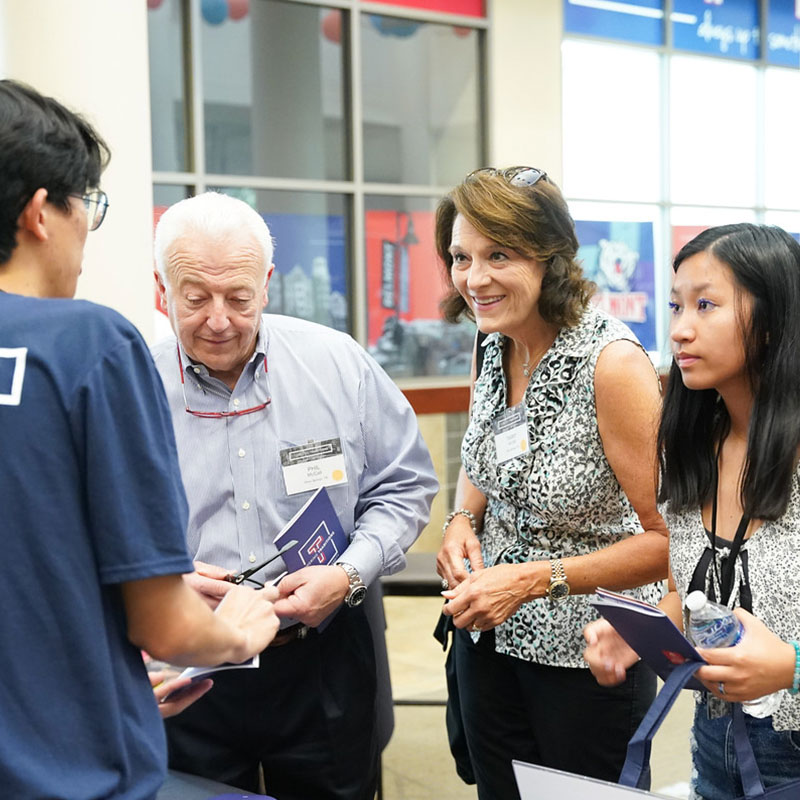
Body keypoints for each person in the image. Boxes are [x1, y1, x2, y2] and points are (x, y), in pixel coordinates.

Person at [0, 79, 280, 800]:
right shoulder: (87, 345)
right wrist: (240, 630)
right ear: (40, 212)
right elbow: (166, 625)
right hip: (69, 769)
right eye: (85, 206)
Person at [149, 190, 438, 800]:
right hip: (189, 657)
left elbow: (406, 485)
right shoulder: (131, 385)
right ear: (161, 291)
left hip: (323, 656)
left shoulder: (337, 364)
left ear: (268, 285)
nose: (219, 319)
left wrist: (351, 572)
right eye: (196, 298)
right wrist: (164, 579)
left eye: (239, 297)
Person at [434, 166, 669, 798]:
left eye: (498, 255)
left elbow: (669, 538)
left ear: (551, 259)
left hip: (586, 660)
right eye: (461, 257)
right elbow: (491, 455)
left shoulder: (610, 364)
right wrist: (462, 519)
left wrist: (532, 580)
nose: (474, 279)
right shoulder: (494, 343)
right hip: (488, 640)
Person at [585, 223, 800, 800]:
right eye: (677, 306)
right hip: (717, 741)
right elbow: (696, 591)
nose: (680, 329)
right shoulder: (689, 450)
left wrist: (793, 667)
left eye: (706, 305)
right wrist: (646, 631)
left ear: (776, 318)